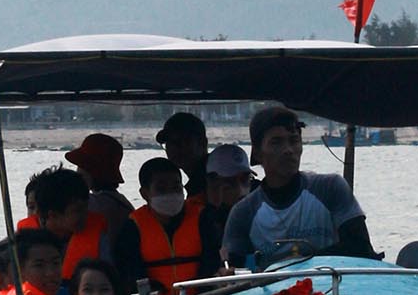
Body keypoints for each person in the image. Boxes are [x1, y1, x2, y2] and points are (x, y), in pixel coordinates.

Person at [221, 104, 379, 269]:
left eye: (294, 141)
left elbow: (361, 249)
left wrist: (296, 264)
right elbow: (234, 267)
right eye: (276, 142)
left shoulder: (330, 188)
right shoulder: (243, 213)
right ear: (258, 153)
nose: (288, 150)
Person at [112, 157, 219, 295]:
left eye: (176, 187)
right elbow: (127, 272)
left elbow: (212, 259)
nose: (170, 193)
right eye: (161, 189)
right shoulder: (132, 227)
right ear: (144, 193)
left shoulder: (202, 218)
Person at [31, 167, 105, 288]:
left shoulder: (99, 239)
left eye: (86, 207)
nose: (86, 215)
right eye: (77, 210)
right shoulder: (23, 244)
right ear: (53, 215)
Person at [63, 133, 134, 230]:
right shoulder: (118, 201)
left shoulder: (95, 205)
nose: (78, 171)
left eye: (81, 166)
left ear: (91, 171)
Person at [156, 111, 210, 198]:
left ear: (202, 143)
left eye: (183, 141)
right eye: (169, 143)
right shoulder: (200, 180)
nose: (174, 149)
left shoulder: (210, 183)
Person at [202, 143, 255, 232]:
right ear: (212, 183)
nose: (240, 188)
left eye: (245, 179)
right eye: (230, 180)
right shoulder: (198, 220)